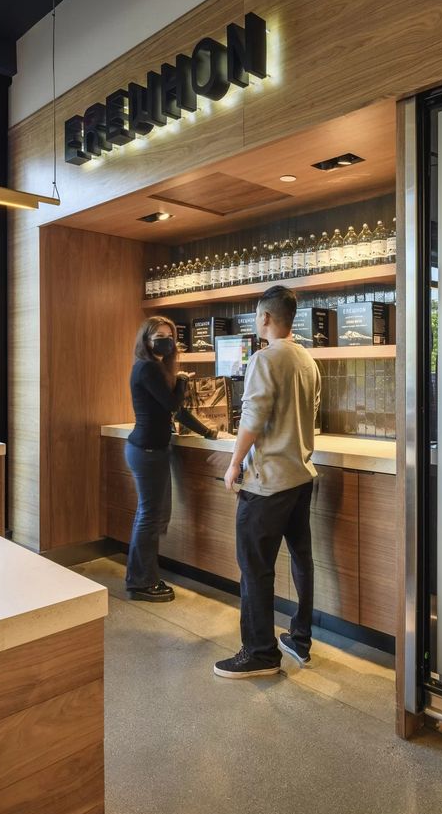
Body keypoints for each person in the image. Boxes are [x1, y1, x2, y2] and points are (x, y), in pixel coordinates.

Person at [214, 286, 321, 678]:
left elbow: (253, 417)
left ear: (265, 318)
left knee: (255, 566)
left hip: (268, 484)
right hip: (300, 478)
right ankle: (300, 638)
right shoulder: (308, 360)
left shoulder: (265, 358)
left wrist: (234, 463)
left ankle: (260, 652)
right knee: (300, 559)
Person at [126, 315, 222, 601]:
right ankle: (142, 582)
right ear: (146, 339)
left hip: (149, 450)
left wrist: (206, 431)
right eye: (159, 335)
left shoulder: (152, 368)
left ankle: (140, 577)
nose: (166, 340)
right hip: (147, 451)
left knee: (152, 516)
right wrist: (180, 382)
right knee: (150, 517)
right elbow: (172, 404)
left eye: (170, 335)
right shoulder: (147, 368)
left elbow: (176, 412)